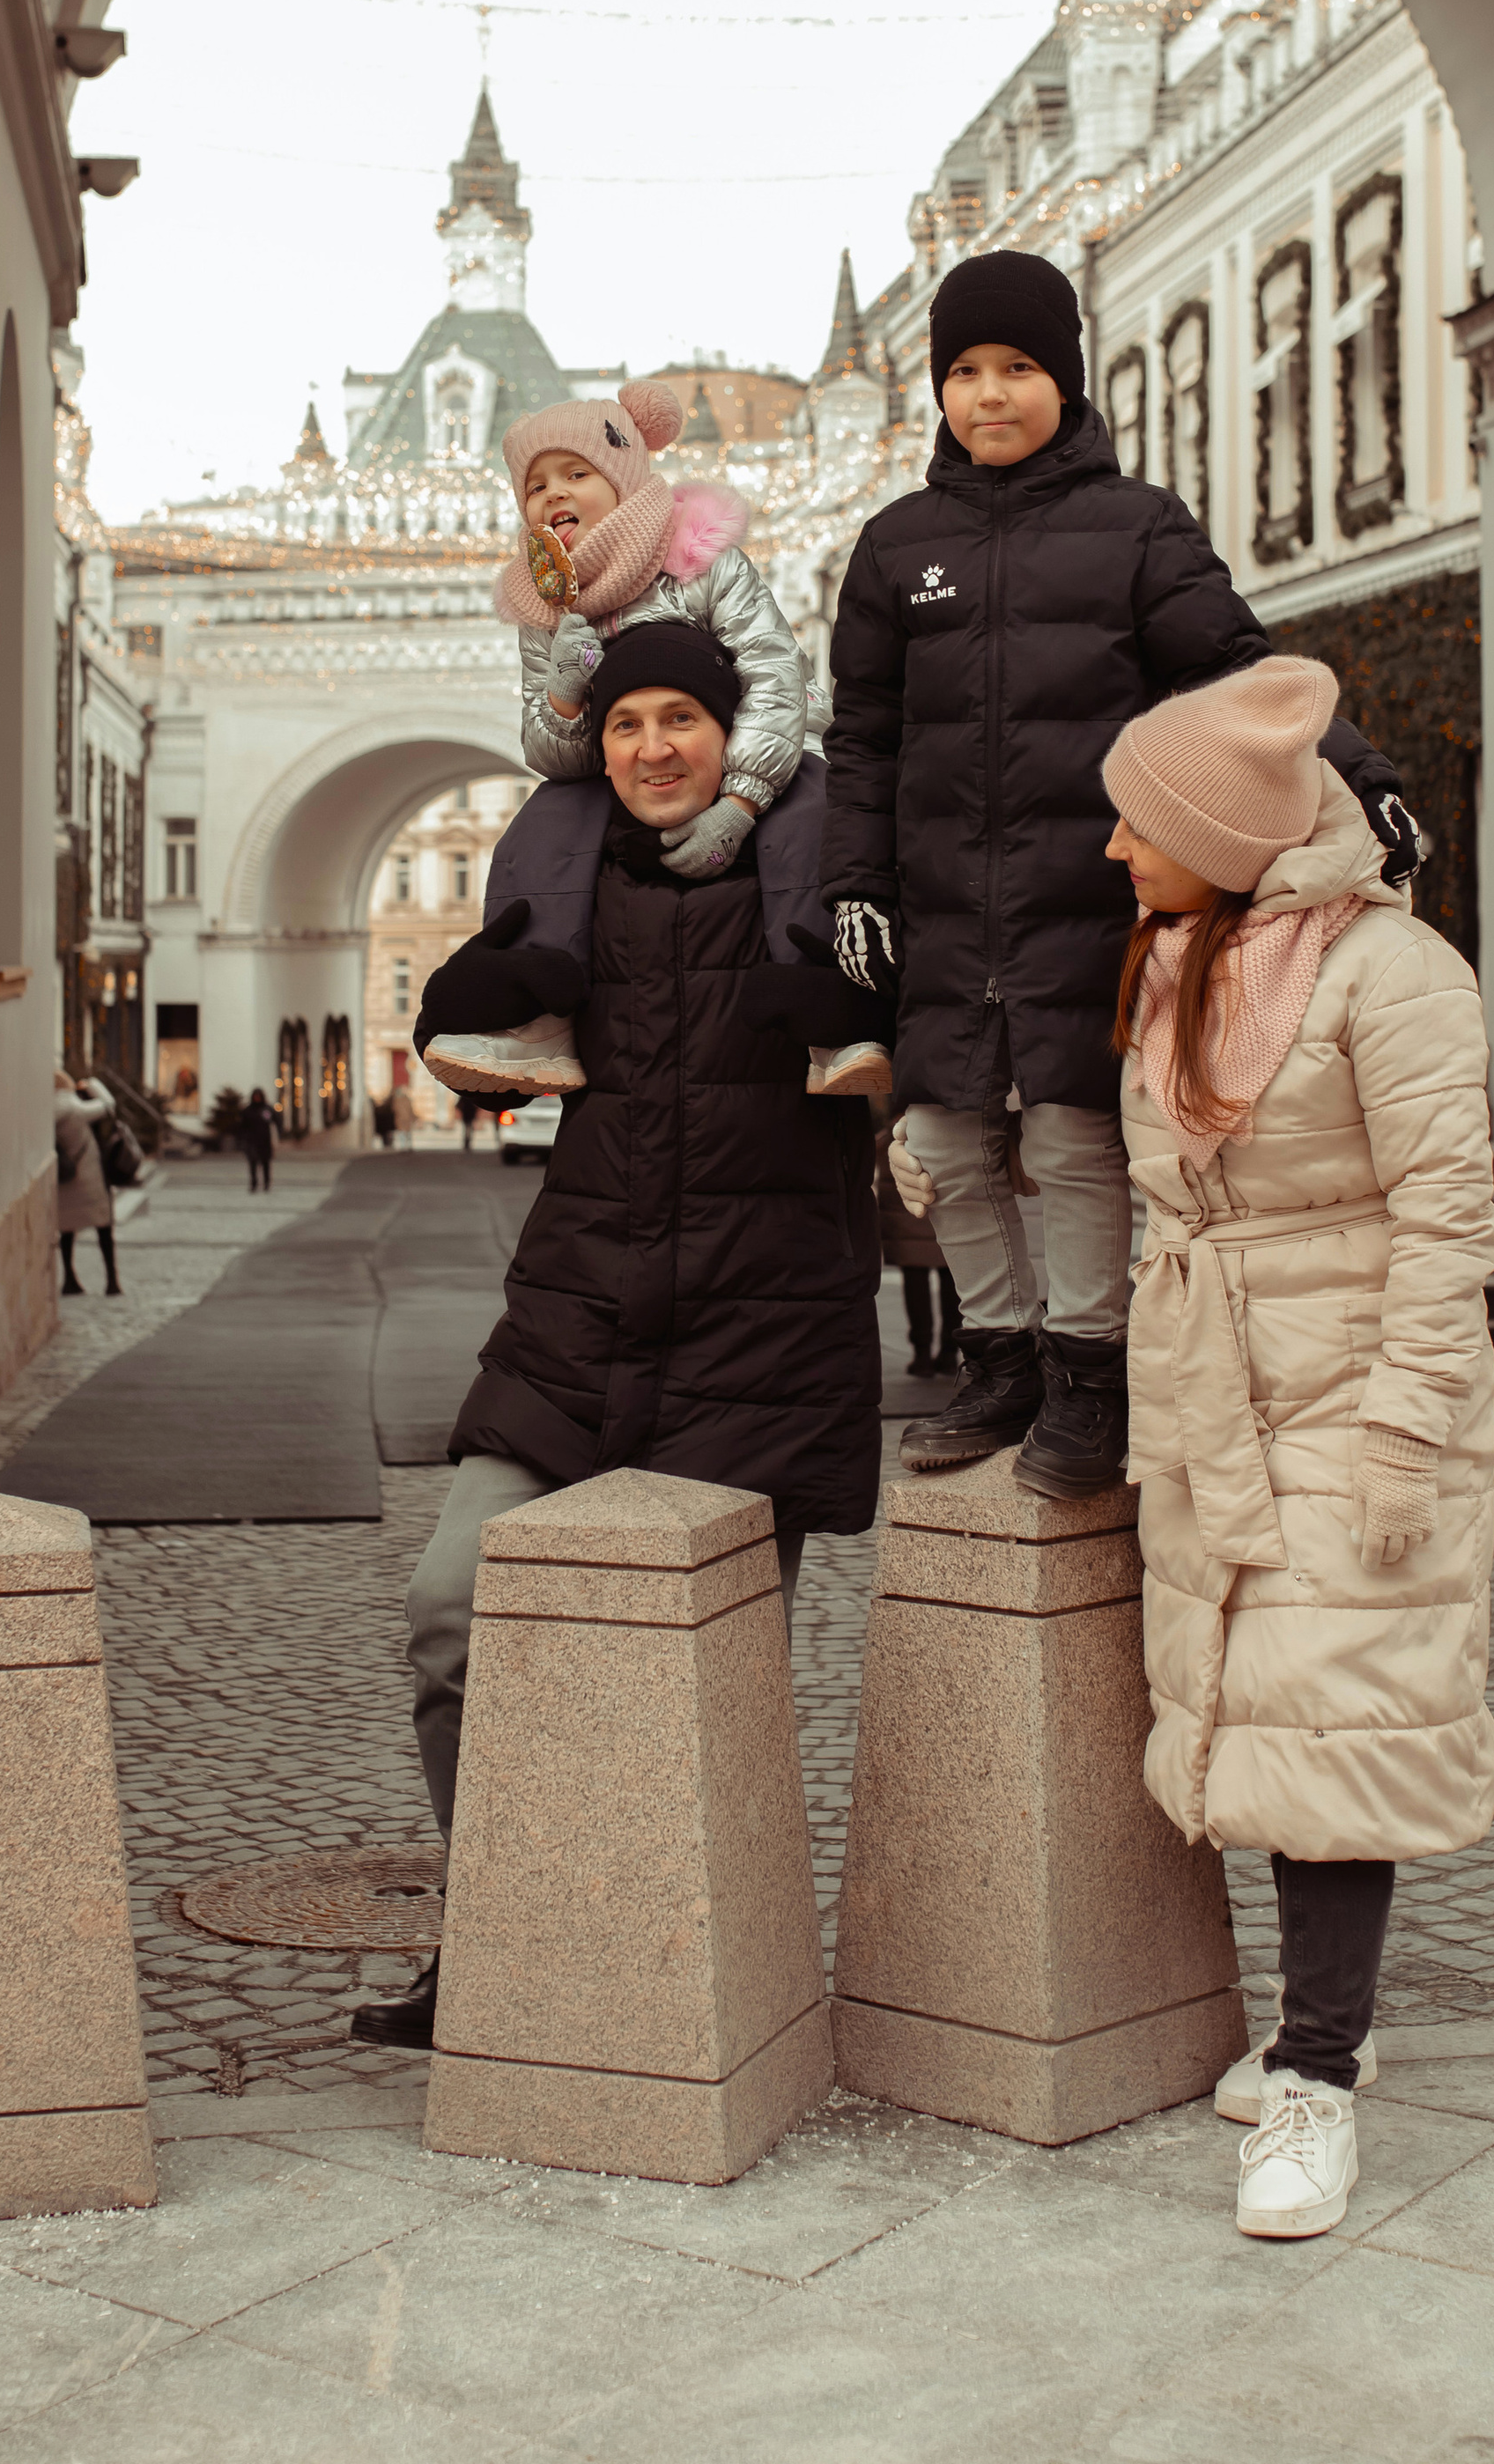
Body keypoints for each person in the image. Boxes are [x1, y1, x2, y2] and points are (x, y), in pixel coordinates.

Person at [353, 620, 885, 2051]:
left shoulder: (821, 873)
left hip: (760, 1336)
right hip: (576, 1324)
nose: (655, 748)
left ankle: (704, 1975)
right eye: (630, 723)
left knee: (713, 1680)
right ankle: (499, 1927)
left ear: (737, 734)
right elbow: (487, 1032)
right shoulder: (564, 874)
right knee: (450, 1611)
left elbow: (914, 1015)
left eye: (683, 721)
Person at [819, 246, 1417, 1501]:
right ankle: (1001, 1357)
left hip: (1088, 895)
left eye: (1020, 368)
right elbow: (862, 739)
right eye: (966, 371)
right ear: (938, 387)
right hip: (940, 904)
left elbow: (1233, 672)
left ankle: (1090, 1371)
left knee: (1080, 1138)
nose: (991, 395)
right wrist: (853, 885)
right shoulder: (893, 549)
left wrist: (1355, 772)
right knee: (947, 1140)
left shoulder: (1138, 527)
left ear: (1066, 379)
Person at [1098, 655, 1494, 2239]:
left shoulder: (1395, 979)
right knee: (1258, 1722)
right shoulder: (1188, 957)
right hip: (1219, 1394)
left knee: (1334, 1725)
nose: (1117, 850)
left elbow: (1447, 1218)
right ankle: (1324, 2026)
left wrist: (1407, 1429)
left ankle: (1319, 2076)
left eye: (1141, 824)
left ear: (1230, 827)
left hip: (1353, 1392)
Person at [426, 380, 878, 1104]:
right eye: (535, 484)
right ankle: (537, 1017)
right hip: (626, 777)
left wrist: (741, 800)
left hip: (747, 750)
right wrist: (565, 697)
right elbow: (553, 754)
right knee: (545, 823)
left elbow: (774, 675)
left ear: (627, 481)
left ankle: (831, 1010)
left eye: (577, 474)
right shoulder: (547, 608)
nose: (553, 494)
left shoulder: (703, 562)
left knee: (807, 815)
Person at [874, 1103, 962, 1377]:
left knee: (915, 1287)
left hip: (907, 1221)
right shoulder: (948, 1126)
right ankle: (949, 1352)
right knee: (952, 1284)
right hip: (946, 1220)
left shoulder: (892, 1134)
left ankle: (921, 1355)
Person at [53, 1068, 120, 1296]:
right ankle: (112, 1281)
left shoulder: (48, 1111)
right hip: (88, 1178)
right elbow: (109, 1105)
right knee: (103, 1228)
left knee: (67, 1231)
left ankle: (69, 1279)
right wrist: (92, 1084)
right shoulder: (74, 1108)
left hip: (64, 1180)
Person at [237, 1086, 277, 1191]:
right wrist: (242, 1139)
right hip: (252, 1141)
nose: (257, 1098)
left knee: (265, 1164)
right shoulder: (248, 1110)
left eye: (259, 1096)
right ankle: (254, 1183)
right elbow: (242, 1126)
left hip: (265, 1141)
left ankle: (266, 1183)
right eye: (255, 1096)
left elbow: (276, 1120)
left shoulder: (267, 1109)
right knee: (253, 1163)